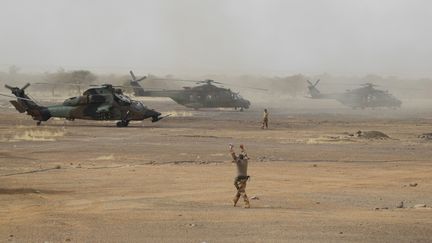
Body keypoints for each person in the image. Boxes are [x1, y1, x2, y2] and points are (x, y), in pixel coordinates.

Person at [229, 143, 250, 208]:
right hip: (245, 178)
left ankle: (247, 204)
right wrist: (242, 148)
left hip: (239, 178)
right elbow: (245, 154)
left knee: (241, 190)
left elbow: (233, 155)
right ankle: (235, 200)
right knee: (240, 189)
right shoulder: (245, 161)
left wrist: (230, 148)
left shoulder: (239, 161)